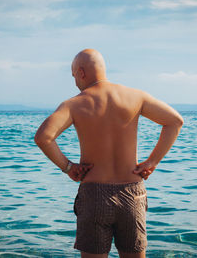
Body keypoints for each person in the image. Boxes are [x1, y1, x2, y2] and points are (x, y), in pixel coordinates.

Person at [34, 49, 183, 258]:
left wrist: (68, 167)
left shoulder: (75, 104)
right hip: (133, 192)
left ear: (82, 72)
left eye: (74, 75)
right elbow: (175, 121)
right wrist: (152, 161)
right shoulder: (135, 96)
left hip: (94, 194)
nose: (75, 81)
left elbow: (43, 138)